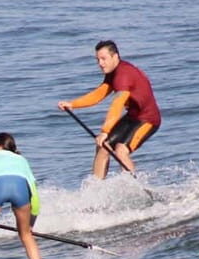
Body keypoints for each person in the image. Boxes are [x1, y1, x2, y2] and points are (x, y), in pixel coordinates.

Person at [58, 40, 161, 179]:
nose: (100, 63)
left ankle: (136, 187)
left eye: (104, 59)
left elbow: (117, 104)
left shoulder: (123, 75)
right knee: (103, 147)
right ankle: (96, 189)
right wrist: (72, 104)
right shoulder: (113, 73)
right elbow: (99, 93)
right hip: (132, 117)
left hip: (148, 119)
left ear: (115, 57)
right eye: (98, 60)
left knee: (120, 151)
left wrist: (105, 132)